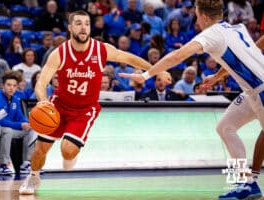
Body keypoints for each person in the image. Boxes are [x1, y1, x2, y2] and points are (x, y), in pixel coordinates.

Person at [119, 0, 264, 199]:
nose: (195, 18)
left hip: (260, 91)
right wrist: (218, 76)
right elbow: (244, 57)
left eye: (196, 14)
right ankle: (247, 182)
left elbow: (177, 56)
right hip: (252, 91)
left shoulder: (210, 34)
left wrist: (145, 75)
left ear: (204, 16)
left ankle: (247, 183)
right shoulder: (236, 27)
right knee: (225, 127)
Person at [19, 10, 171, 195]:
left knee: (67, 151)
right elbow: (41, 83)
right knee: (40, 150)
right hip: (58, 106)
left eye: (87, 24)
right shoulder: (59, 53)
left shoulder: (101, 49)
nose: (83, 27)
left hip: (84, 110)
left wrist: (157, 70)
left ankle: (70, 155)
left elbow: (130, 58)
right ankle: (34, 176)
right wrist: (43, 102)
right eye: (78, 23)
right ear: (70, 28)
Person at [0, 71, 36, 174]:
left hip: (11, 128)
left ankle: (26, 163)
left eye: (14, 86)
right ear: (3, 85)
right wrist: (20, 125)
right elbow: (0, 121)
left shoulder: (15, 99)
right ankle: (3, 164)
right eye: (9, 85)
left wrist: (27, 123)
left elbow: (20, 116)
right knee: (8, 131)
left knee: (32, 130)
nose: (11, 88)